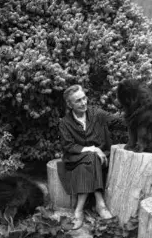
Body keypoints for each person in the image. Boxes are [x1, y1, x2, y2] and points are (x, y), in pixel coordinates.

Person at [59, 84, 119, 230]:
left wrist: (138, 114)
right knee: (91, 156)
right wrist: (92, 149)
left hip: (101, 159)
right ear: (69, 104)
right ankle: (100, 204)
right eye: (78, 101)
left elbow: (117, 121)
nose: (83, 103)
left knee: (91, 158)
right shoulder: (65, 123)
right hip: (75, 160)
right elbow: (69, 146)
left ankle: (79, 210)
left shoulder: (97, 114)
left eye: (84, 98)